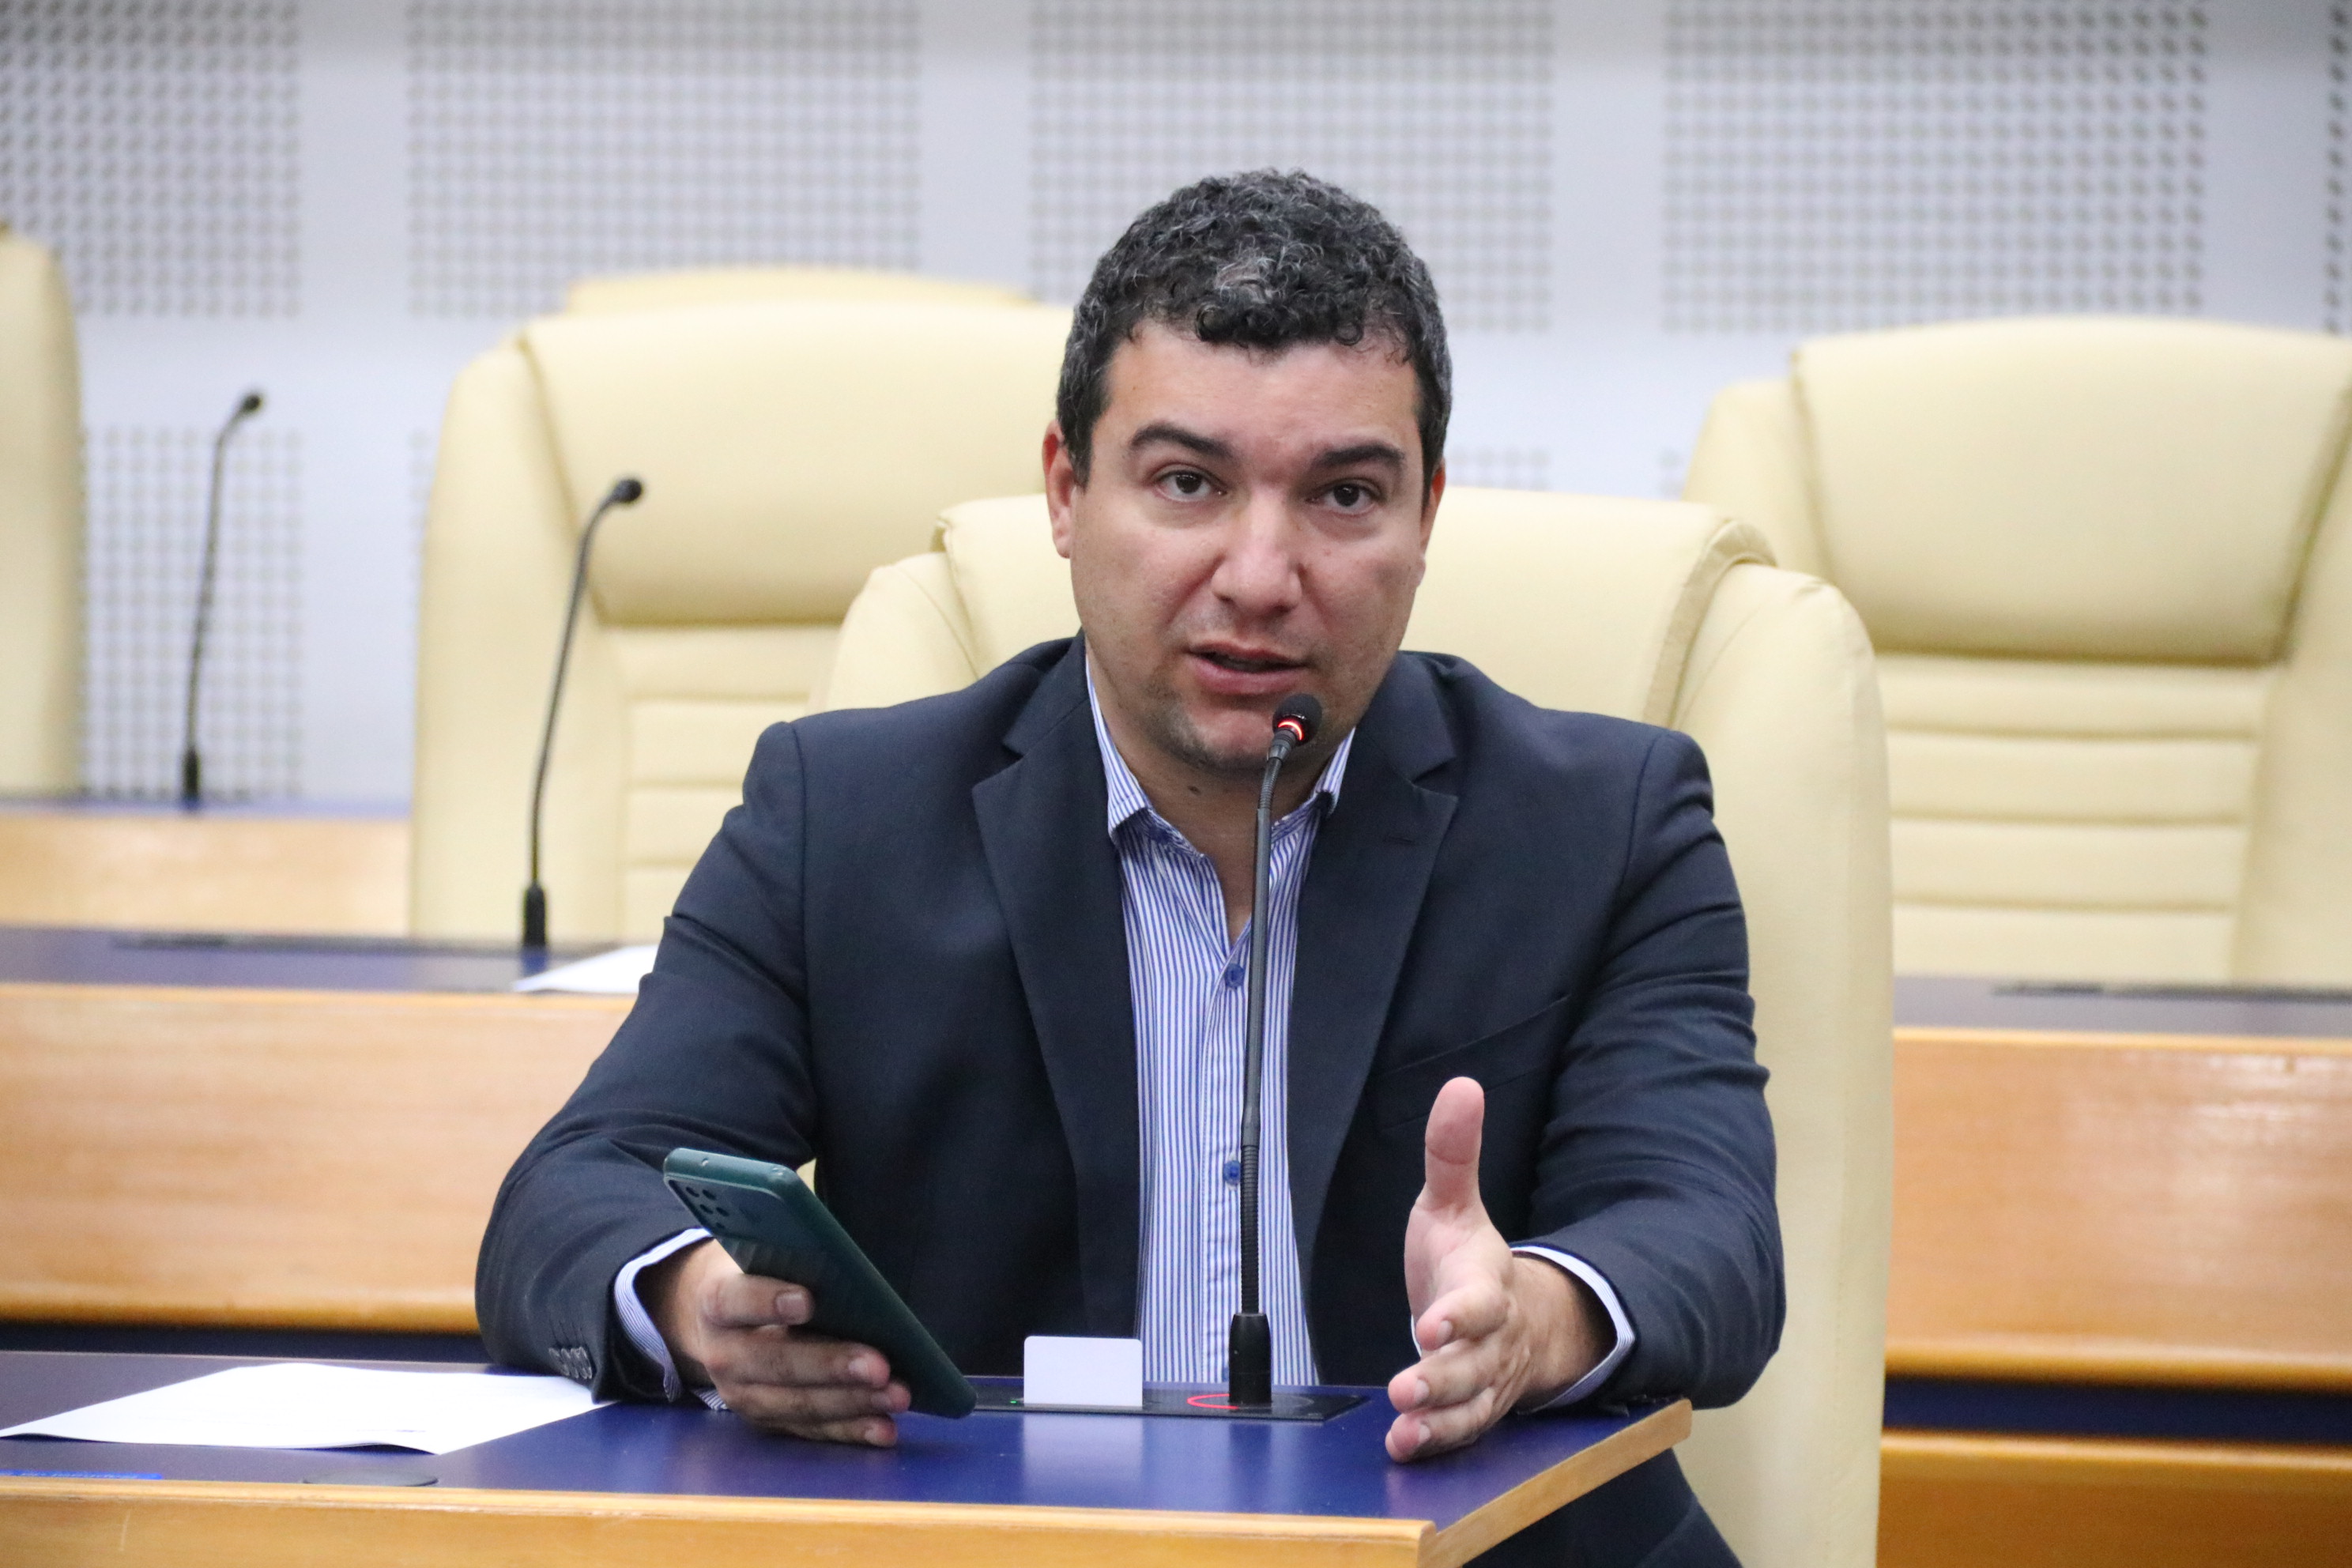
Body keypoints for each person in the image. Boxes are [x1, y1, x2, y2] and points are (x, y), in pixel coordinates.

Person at [478, 170, 1779, 1566]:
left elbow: (1705, 1232)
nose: (1260, 575)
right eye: (1187, 484)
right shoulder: (843, 819)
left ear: (1425, 516)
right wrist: (701, 1303)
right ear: (1066, 491)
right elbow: (572, 1197)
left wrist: (1535, 1320)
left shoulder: (1604, 824)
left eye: (1344, 495)